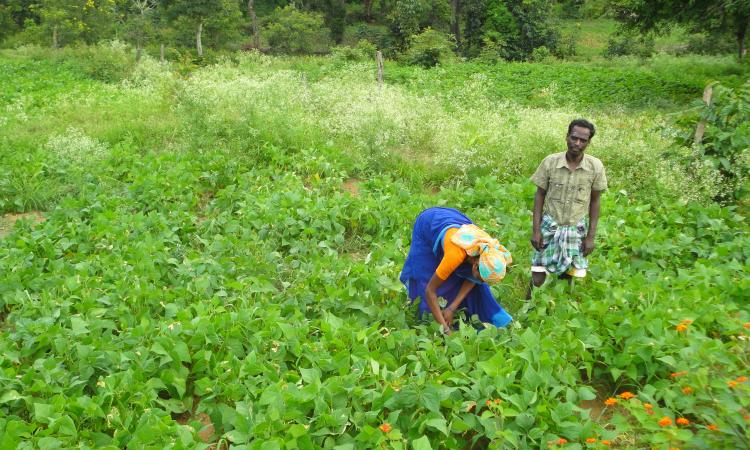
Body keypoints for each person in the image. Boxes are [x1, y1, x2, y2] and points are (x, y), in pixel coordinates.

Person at [399, 207, 513, 334]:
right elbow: (430, 291)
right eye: (480, 278)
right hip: (428, 223)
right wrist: (445, 329)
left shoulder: (489, 252)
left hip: (455, 222)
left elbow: (472, 279)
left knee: (477, 287)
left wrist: (451, 309)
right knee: (425, 275)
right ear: (475, 265)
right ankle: (428, 320)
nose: (479, 280)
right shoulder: (455, 255)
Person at [528, 119, 607, 298]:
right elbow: (539, 195)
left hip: (575, 227)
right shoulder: (550, 162)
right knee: (538, 274)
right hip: (550, 224)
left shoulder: (595, 167)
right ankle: (527, 306)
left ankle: (560, 310)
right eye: (574, 138)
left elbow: (595, 202)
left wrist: (590, 237)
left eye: (583, 140)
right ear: (567, 137)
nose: (577, 143)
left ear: (588, 142)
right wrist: (536, 230)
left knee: (569, 274)